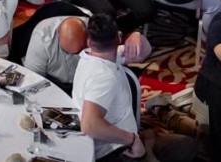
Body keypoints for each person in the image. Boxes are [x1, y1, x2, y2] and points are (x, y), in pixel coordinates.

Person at [74, 13, 197, 162]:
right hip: (118, 151)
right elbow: (90, 125)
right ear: (118, 37)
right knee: (186, 148)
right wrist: (132, 140)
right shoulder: (104, 77)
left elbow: (144, 51)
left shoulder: (89, 57)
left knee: (186, 145)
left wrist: (137, 36)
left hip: (122, 140)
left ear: (89, 42)